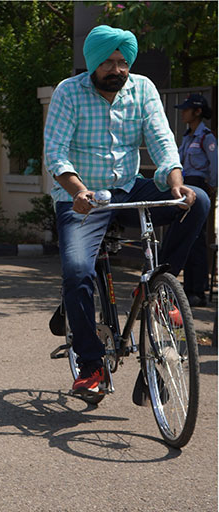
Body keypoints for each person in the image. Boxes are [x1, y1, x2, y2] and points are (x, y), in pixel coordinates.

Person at [43, 25, 209, 400]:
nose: (118, 69)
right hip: (82, 197)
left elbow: (162, 139)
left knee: (198, 199)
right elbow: (55, 153)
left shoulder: (143, 88)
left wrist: (176, 181)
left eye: (123, 62)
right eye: (109, 62)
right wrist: (78, 191)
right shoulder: (69, 92)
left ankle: (163, 285)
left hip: (130, 187)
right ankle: (91, 365)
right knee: (77, 271)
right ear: (92, 64)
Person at [174, 93, 216, 306]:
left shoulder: (206, 137)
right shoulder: (187, 136)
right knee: (188, 236)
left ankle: (197, 291)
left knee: (198, 238)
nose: (183, 113)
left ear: (197, 111)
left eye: (187, 109)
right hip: (185, 187)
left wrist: (211, 187)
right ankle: (188, 286)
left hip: (198, 186)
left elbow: (215, 165)